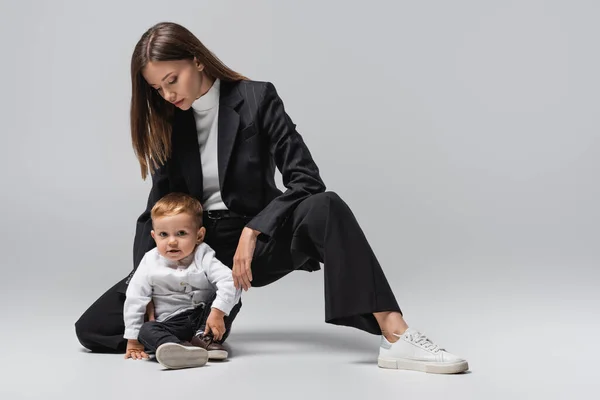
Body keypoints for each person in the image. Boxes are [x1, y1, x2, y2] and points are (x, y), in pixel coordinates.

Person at [75, 21, 468, 374]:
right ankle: (197, 332)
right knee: (91, 328)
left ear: (196, 61)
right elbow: (154, 213)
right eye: (157, 88)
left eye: (171, 80)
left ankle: (396, 336)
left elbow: (306, 180)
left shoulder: (256, 98)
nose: (166, 94)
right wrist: (151, 278)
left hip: (260, 243)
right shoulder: (167, 122)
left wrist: (254, 229)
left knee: (326, 205)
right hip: (193, 248)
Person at [124, 192, 241, 369]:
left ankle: (204, 339)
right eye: (164, 234)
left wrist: (217, 312)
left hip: (205, 318)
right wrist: (133, 340)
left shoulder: (203, 254)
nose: (172, 242)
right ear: (154, 236)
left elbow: (229, 280)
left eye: (181, 233)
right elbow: (135, 297)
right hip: (171, 322)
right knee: (146, 330)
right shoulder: (150, 260)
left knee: (234, 296)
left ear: (199, 235)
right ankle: (176, 347)